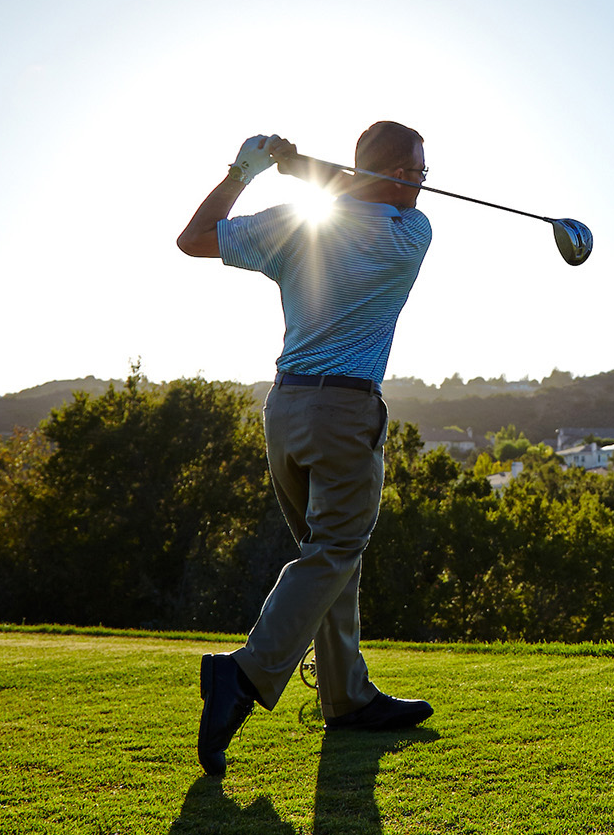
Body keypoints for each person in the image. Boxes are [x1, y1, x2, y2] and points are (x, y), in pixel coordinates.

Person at [177, 121, 437, 776]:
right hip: (345, 413)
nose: (424, 184)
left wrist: (247, 173)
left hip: (285, 411)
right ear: (399, 176)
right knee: (334, 552)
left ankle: (346, 697)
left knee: (328, 559)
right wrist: (304, 170)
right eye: (419, 172)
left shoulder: (294, 226)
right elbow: (355, 191)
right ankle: (243, 674)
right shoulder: (411, 234)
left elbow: (194, 238)